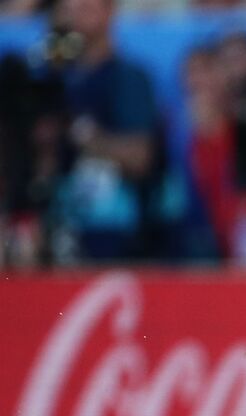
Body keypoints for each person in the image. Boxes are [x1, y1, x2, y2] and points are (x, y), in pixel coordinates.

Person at [48, 0, 163, 262]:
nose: (74, 17)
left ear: (109, 11)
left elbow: (140, 157)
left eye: (85, 8)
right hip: (61, 228)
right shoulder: (56, 79)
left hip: (117, 235)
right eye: (69, 9)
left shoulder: (129, 78)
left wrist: (87, 139)